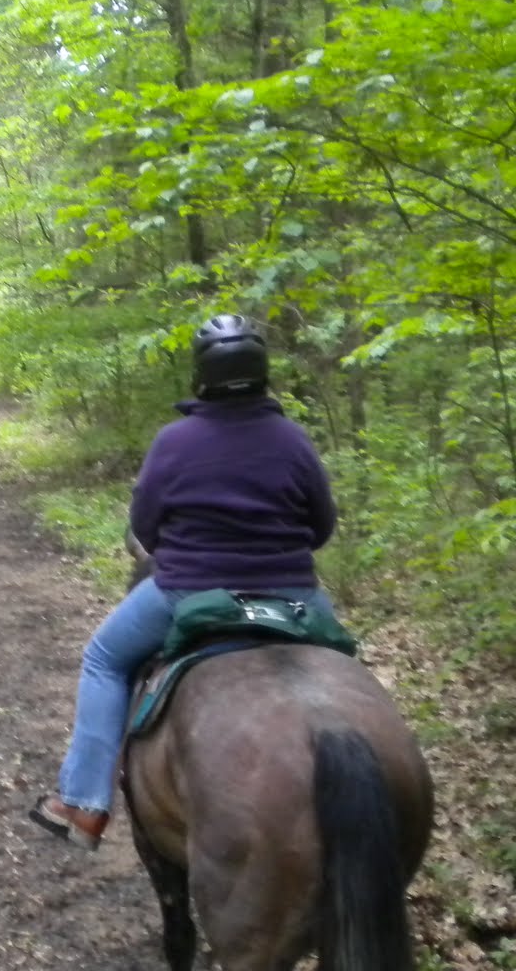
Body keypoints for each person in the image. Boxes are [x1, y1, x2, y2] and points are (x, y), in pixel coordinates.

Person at [29, 313, 338, 850]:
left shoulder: (175, 441)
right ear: (263, 373)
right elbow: (322, 527)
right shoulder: (293, 439)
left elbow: (145, 528)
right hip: (293, 595)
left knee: (103, 659)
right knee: (345, 670)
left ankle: (82, 806)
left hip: (186, 592)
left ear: (202, 377)